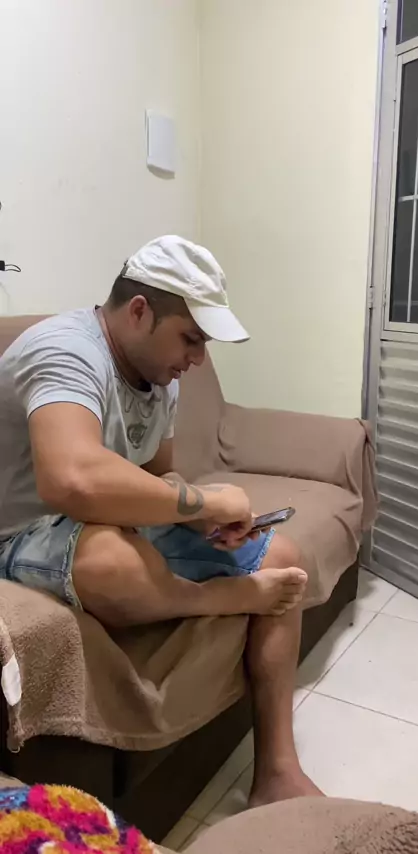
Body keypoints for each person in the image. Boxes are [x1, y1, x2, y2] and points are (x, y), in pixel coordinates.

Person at [0, 235, 322, 806]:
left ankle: (276, 769)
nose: (196, 360)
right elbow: (70, 479)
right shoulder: (65, 349)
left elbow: (155, 477)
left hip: (102, 521)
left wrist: (200, 520)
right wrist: (204, 503)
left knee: (283, 556)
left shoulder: (158, 376)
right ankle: (216, 598)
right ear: (139, 311)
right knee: (111, 560)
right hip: (20, 532)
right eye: (190, 339)